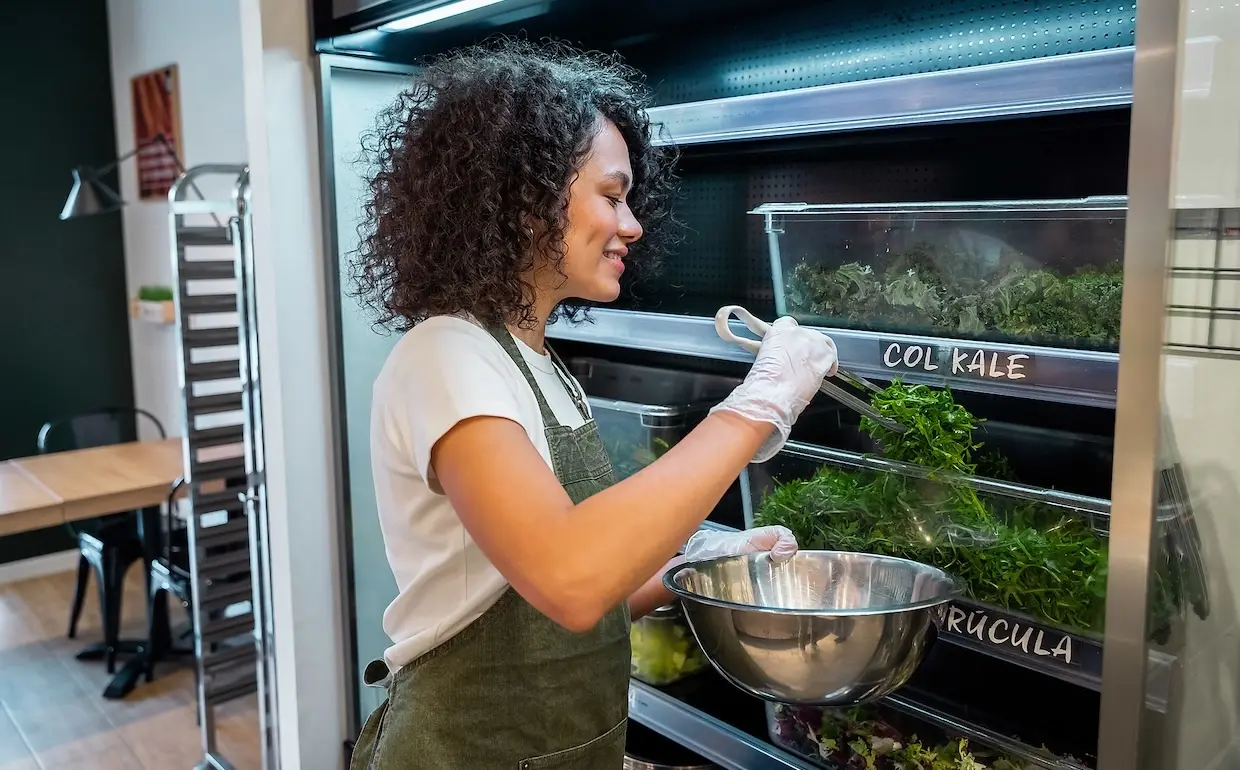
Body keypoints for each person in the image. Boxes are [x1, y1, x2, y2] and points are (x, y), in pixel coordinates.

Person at [347, 38, 839, 770]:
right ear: (522, 199)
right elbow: (570, 579)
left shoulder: (541, 365)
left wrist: (694, 567)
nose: (633, 225)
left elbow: (569, 599)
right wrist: (758, 404)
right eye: (611, 195)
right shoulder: (446, 356)